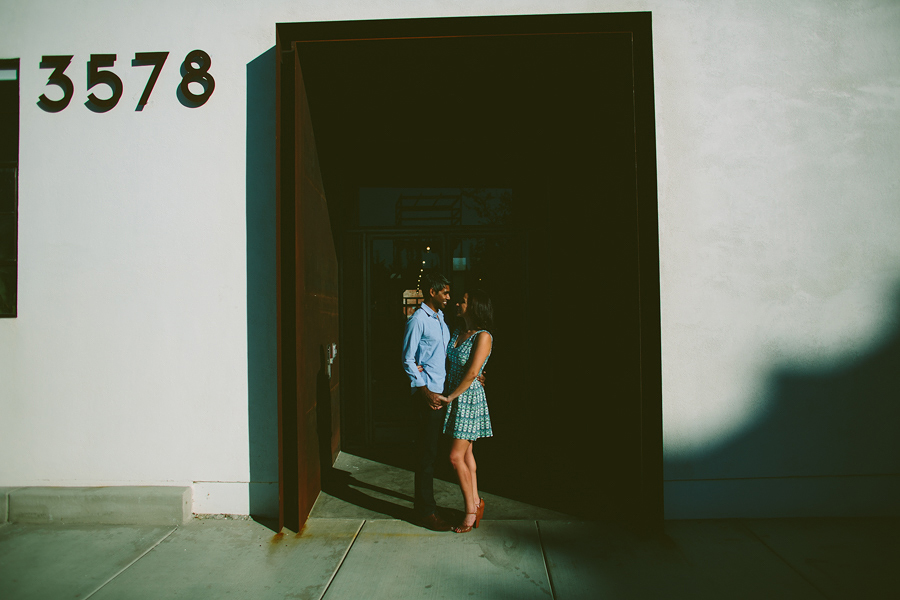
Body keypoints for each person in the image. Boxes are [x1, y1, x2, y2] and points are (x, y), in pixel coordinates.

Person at [402, 272, 452, 531]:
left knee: (433, 453)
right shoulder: (418, 320)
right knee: (426, 455)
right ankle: (425, 512)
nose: (448, 297)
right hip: (428, 397)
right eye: (444, 292)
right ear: (432, 291)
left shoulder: (440, 318)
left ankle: (425, 504)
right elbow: (408, 358)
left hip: (440, 394)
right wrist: (424, 392)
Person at [442, 289, 493, 533]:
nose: (456, 303)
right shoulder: (458, 333)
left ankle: (470, 513)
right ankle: (476, 502)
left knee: (455, 456)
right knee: (467, 455)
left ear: (473, 307)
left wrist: (451, 396)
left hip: (468, 399)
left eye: (462, 301)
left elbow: (473, 372)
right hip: (456, 397)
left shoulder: (483, 336)